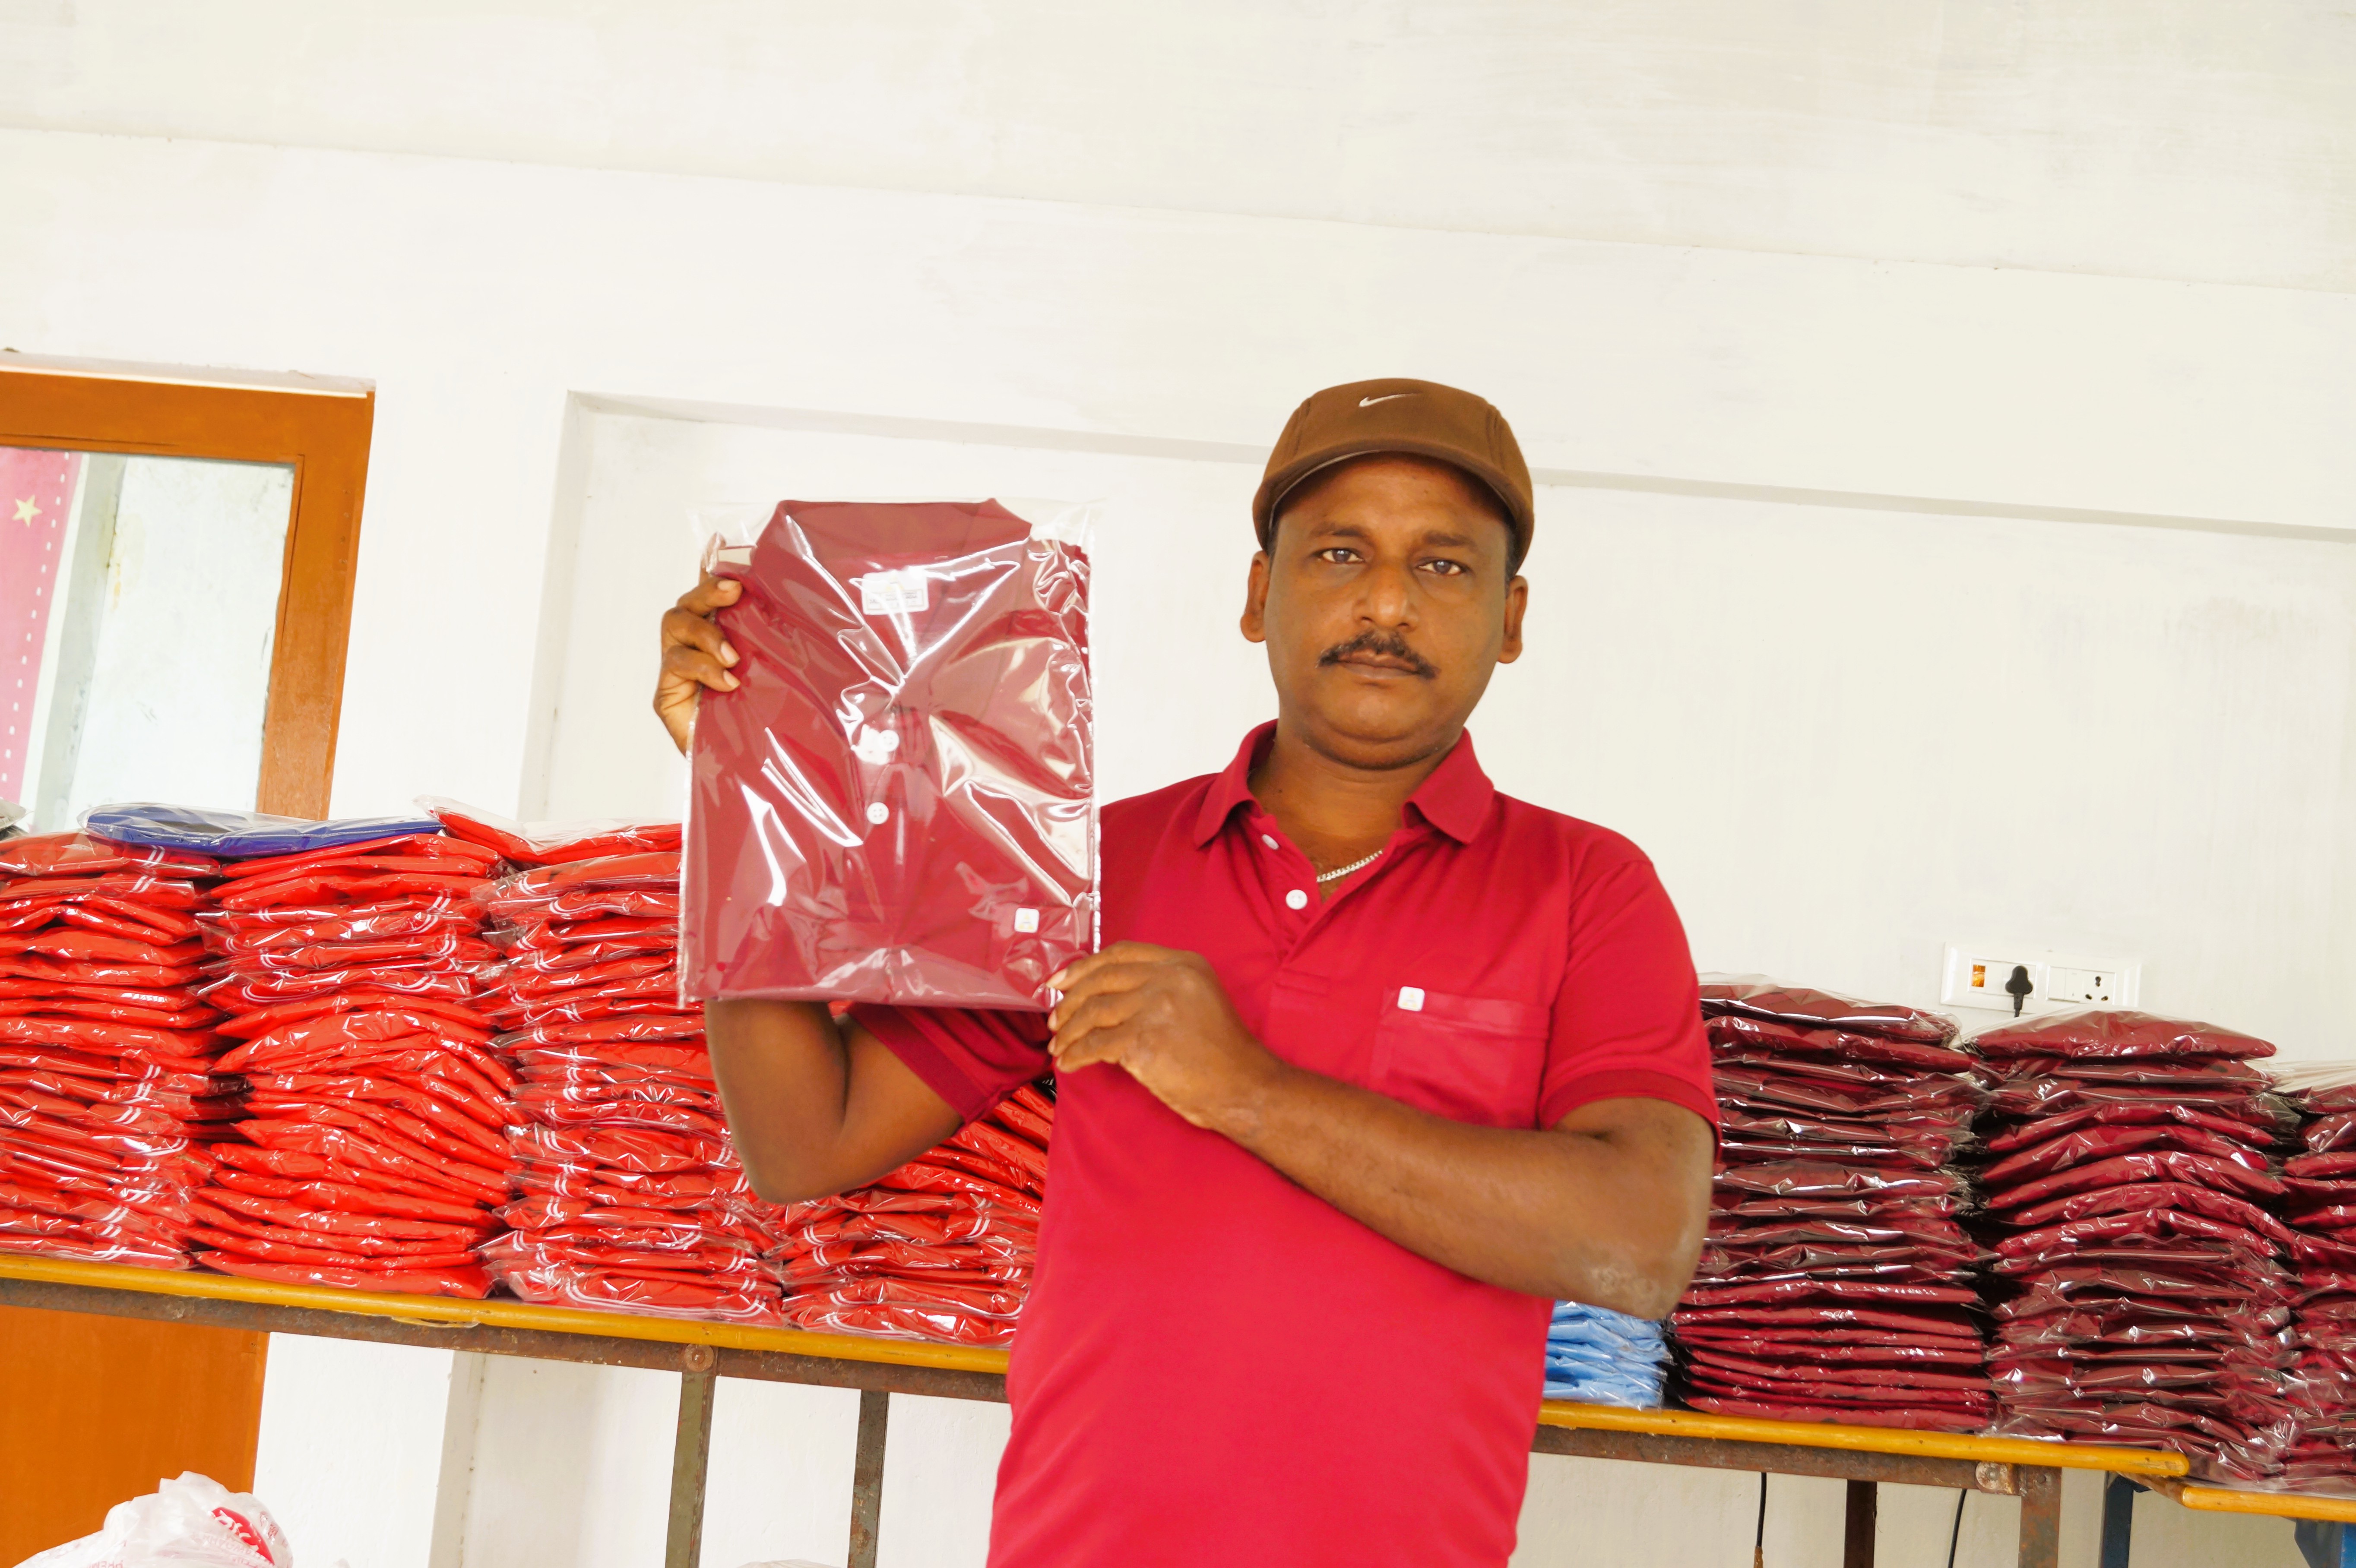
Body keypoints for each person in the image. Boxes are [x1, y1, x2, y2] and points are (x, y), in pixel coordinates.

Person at [655, 378, 1716, 1567]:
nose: (1382, 601)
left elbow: (1641, 1239)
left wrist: (1246, 1089)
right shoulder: (1091, 863)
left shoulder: (1585, 888)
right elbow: (809, 1141)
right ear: (1259, 595)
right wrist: (749, 796)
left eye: (1444, 568)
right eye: (1338, 552)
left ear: (1513, 619)